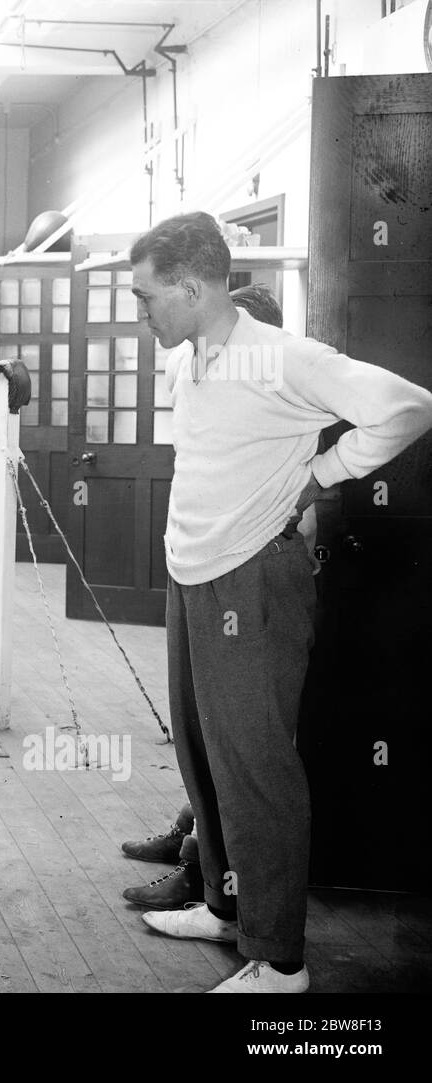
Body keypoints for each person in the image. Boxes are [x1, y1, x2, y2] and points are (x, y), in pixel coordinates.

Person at [128, 212, 432, 992]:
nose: (142, 312)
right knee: (203, 752)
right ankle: (228, 905)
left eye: (148, 297)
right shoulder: (190, 357)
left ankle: (282, 957)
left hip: (255, 581)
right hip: (192, 575)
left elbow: (409, 406)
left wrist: (325, 475)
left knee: (256, 764)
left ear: (193, 288)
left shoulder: (283, 357)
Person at [119, 285, 285, 912]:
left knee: (240, 750)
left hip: (254, 587)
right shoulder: (205, 381)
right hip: (206, 577)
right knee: (203, 732)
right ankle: (194, 843)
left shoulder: (284, 399)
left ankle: (204, 876)